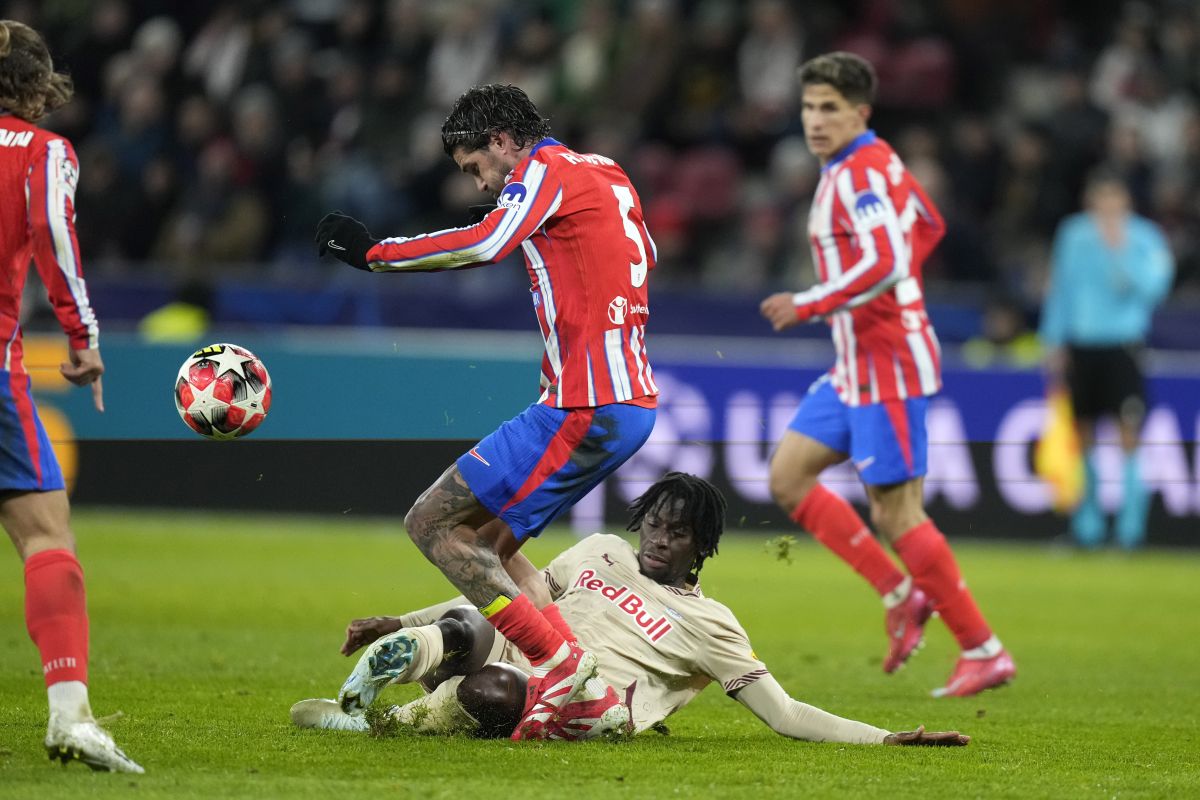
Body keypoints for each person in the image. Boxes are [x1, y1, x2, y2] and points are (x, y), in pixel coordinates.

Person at [315, 84, 658, 739]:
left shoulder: (545, 171)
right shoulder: (607, 172)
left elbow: (486, 242)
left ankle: (567, 672)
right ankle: (588, 700)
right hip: (622, 399)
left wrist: (373, 255)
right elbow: (639, 257)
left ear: (503, 140)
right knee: (492, 551)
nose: (479, 183)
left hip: (583, 403)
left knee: (432, 523)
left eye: (476, 166)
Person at [292, 473, 970, 747]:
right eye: (653, 524)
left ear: (701, 548)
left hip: (587, 702)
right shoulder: (600, 550)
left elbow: (785, 714)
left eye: (676, 534)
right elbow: (512, 599)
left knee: (494, 689)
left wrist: (884, 739)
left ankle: (394, 724)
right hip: (531, 646)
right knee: (474, 619)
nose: (657, 540)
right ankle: (363, 697)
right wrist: (399, 621)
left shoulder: (714, 625)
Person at [759, 52, 1015, 698]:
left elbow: (888, 257)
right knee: (789, 476)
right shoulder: (868, 163)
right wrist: (892, 294)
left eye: (830, 110)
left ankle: (982, 648)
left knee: (897, 513)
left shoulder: (858, 174)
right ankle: (902, 594)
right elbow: (928, 224)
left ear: (860, 113)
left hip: (888, 363)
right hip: (856, 363)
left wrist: (812, 301)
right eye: (809, 108)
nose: (815, 121)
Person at [0, 20, 142, 773]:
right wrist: (82, 338)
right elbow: (55, 235)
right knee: (46, 538)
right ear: (36, 83)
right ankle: (70, 716)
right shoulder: (41, 152)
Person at [1039, 168, 1174, 549]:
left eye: (1114, 199)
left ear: (1126, 202)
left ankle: (1131, 531)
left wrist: (1120, 251)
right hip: (1082, 347)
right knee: (1082, 436)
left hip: (1122, 346)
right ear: (1091, 201)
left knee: (1128, 434)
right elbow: (1060, 290)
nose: (1107, 207)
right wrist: (1053, 341)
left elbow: (1155, 288)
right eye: (1100, 198)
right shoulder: (1073, 234)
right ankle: (1088, 528)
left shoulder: (1144, 237)